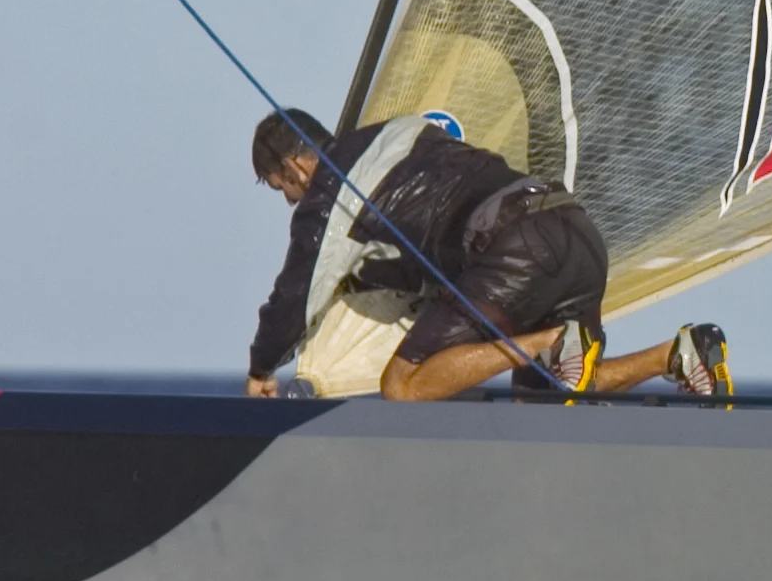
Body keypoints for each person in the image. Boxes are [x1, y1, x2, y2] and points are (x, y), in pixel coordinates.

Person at [244, 108, 731, 402]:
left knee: (403, 385)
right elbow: (425, 243)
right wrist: (361, 279)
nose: (290, 201)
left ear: (294, 167)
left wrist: (262, 368)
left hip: (514, 248)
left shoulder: (329, 195)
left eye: (281, 188)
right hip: (576, 232)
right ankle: (677, 354)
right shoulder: (404, 129)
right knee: (545, 398)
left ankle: (550, 343)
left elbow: (294, 296)